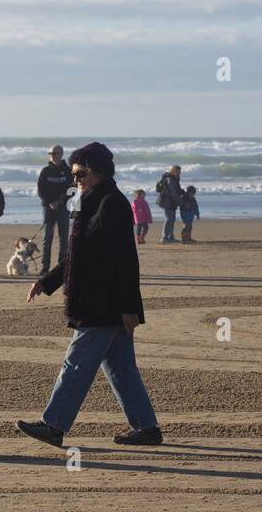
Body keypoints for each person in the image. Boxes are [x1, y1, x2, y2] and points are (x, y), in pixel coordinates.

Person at [17, 142, 161, 448]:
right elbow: (76, 254)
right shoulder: (87, 201)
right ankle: (147, 428)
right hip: (99, 302)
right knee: (121, 368)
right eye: (73, 174)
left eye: (80, 173)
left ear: (96, 171)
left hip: (104, 303)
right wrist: (47, 282)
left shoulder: (112, 203)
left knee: (77, 364)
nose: (75, 179)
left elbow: (125, 259)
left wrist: (129, 307)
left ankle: (54, 425)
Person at [37, 144, 73, 273]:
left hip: (63, 208)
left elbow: (72, 189)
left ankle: (61, 267)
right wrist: (50, 202)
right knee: (47, 238)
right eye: (50, 153)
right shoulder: (45, 171)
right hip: (48, 208)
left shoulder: (68, 171)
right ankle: (45, 267)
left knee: (64, 238)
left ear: (61, 154)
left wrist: (61, 201)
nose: (52, 156)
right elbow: (41, 190)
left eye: (55, 153)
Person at [157, 165, 183, 242]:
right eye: (177, 172)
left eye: (179, 172)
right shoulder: (170, 179)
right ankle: (164, 237)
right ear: (173, 171)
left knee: (172, 219)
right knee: (169, 219)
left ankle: (170, 236)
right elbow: (172, 192)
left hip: (172, 202)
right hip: (167, 201)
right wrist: (179, 200)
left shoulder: (175, 178)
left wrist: (182, 192)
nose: (179, 173)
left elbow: (177, 189)